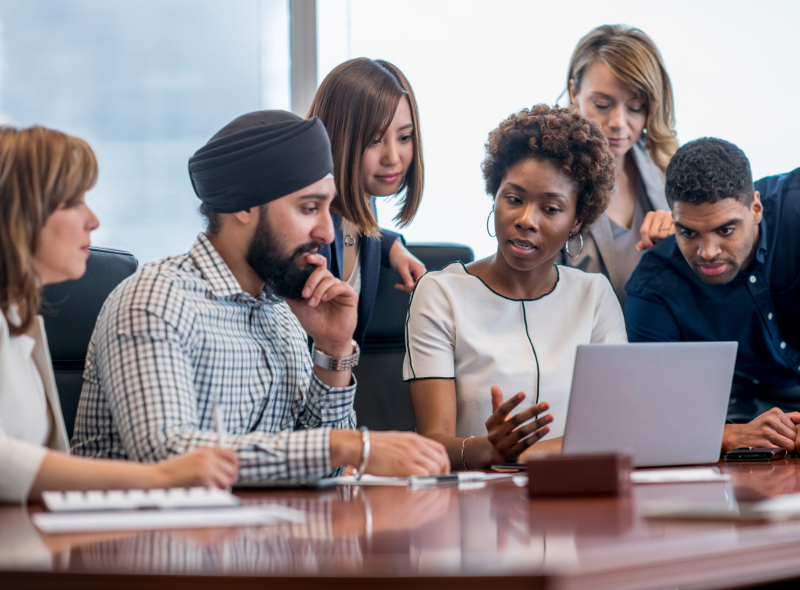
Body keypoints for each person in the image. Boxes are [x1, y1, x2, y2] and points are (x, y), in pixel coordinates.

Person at [71, 110, 450, 480]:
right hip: (147, 541)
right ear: (243, 206)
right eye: (308, 208)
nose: (327, 232)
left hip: (258, 538)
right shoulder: (156, 301)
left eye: (326, 208)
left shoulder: (283, 314)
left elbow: (329, 470)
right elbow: (168, 454)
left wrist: (334, 350)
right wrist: (346, 446)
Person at [0, 125, 239, 503]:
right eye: (73, 202)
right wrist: (159, 476)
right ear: (18, 214)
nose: (92, 220)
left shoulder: (17, 321)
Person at [404, 105, 628, 470]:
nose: (526, 220)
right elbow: (431, 443)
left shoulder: (595, 296)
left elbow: (617, 428)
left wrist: (535, 453)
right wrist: (487, 448)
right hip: (475, 509)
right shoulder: (440, 294)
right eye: (514, 199)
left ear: (577, 221)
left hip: (575, 503)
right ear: (495, 196)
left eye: (551, 208)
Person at [625, 137, 800, 454]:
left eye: (726, 230)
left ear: (756, 208)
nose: (707, 253)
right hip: (742, 411)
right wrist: (726, 435)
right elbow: (648, 413)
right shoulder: (655, 287)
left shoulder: (795, 209)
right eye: (688, 233)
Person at [307, 58, 426, 345]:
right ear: (338, 138)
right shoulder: (307, 233)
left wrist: (391, 245)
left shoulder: (362, 201)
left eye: (405, 137)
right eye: (374, 140)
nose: (393, 158)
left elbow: (350, 223)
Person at [561, 24, 679, 306]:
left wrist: (684, 239)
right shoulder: (550, 177)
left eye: (635, 107)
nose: (618, 123)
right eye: (602, 104)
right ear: (574, 92)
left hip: (659, 345)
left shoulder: (666, 169)